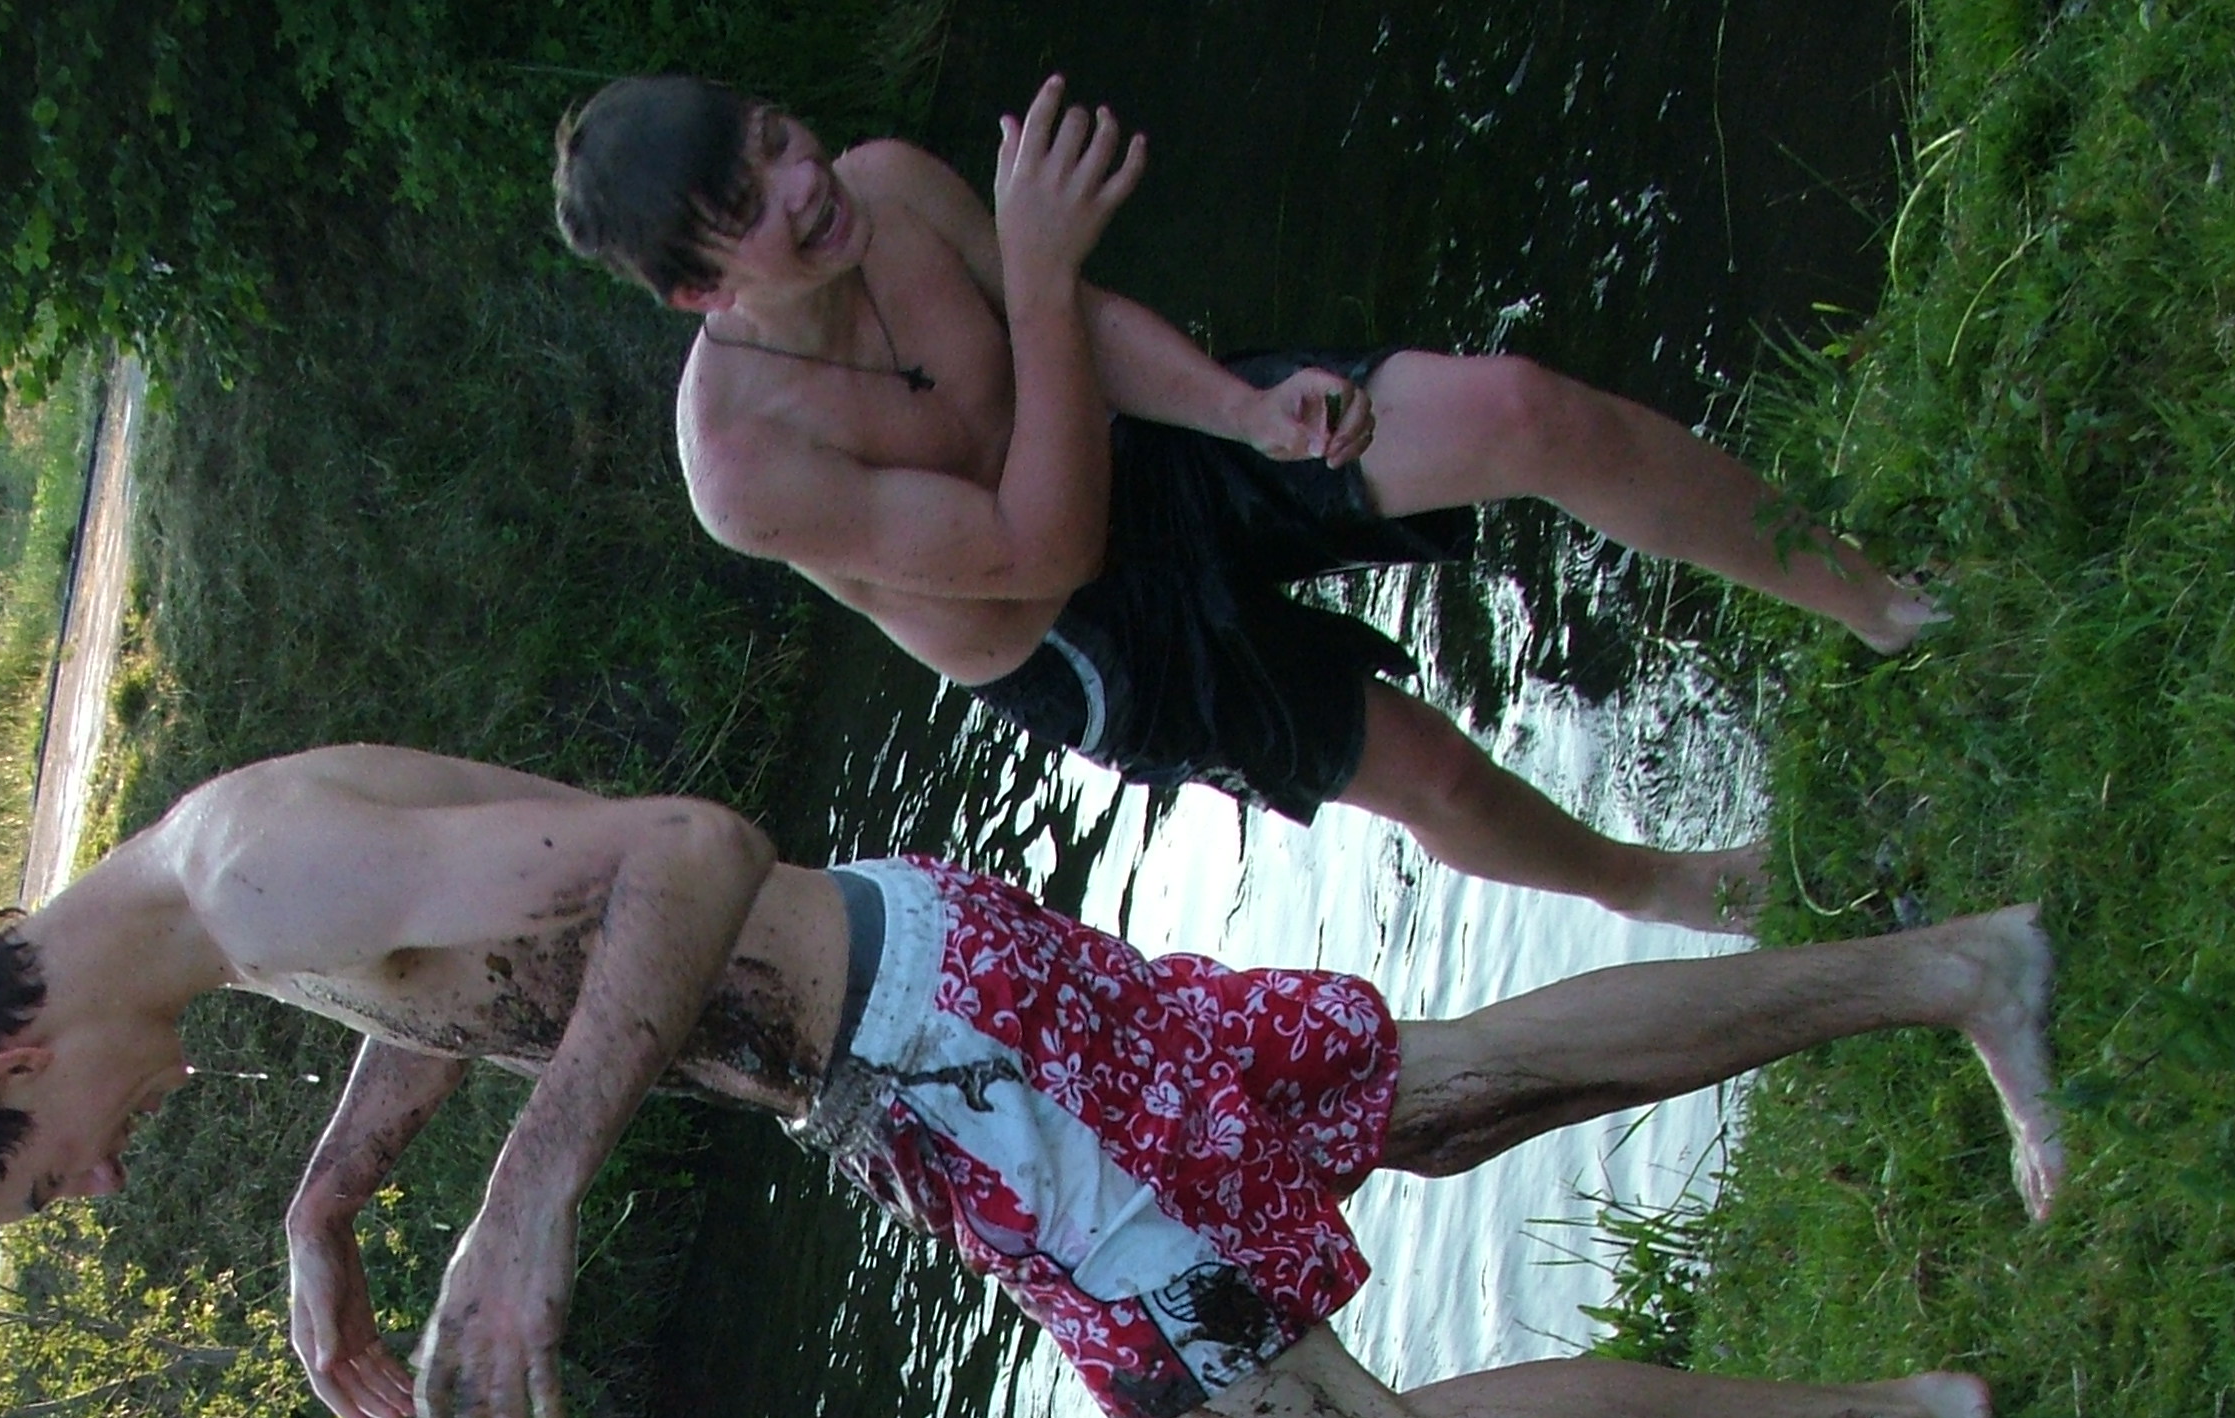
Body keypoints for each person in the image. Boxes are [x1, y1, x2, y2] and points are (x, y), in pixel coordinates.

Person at [0, 746, 2059, 1418]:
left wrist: (530, 1200)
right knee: (1429, 1097)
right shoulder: (214, 878)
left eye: (45, 1174)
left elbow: (681, 853)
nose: (93, 1184)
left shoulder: (251, 879)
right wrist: (335, 1201)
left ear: (4, 1075)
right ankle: (1956, 973)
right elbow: (476, 965)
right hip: (933, 987)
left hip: (947, 1057)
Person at [550, 75, 1942, 929]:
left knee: (1524, 411)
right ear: (702, 291)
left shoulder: (889, 186)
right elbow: (1044, 541)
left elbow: (1081, 324)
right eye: (753, 201)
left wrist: (1237, 408)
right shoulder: (745, 468)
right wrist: (1037, 274)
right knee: (1432, 773)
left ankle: (1884, 605)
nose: (805, 182)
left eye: (779, 138)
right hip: (1086, 635)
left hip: (1147, 446)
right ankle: (1670, 889)